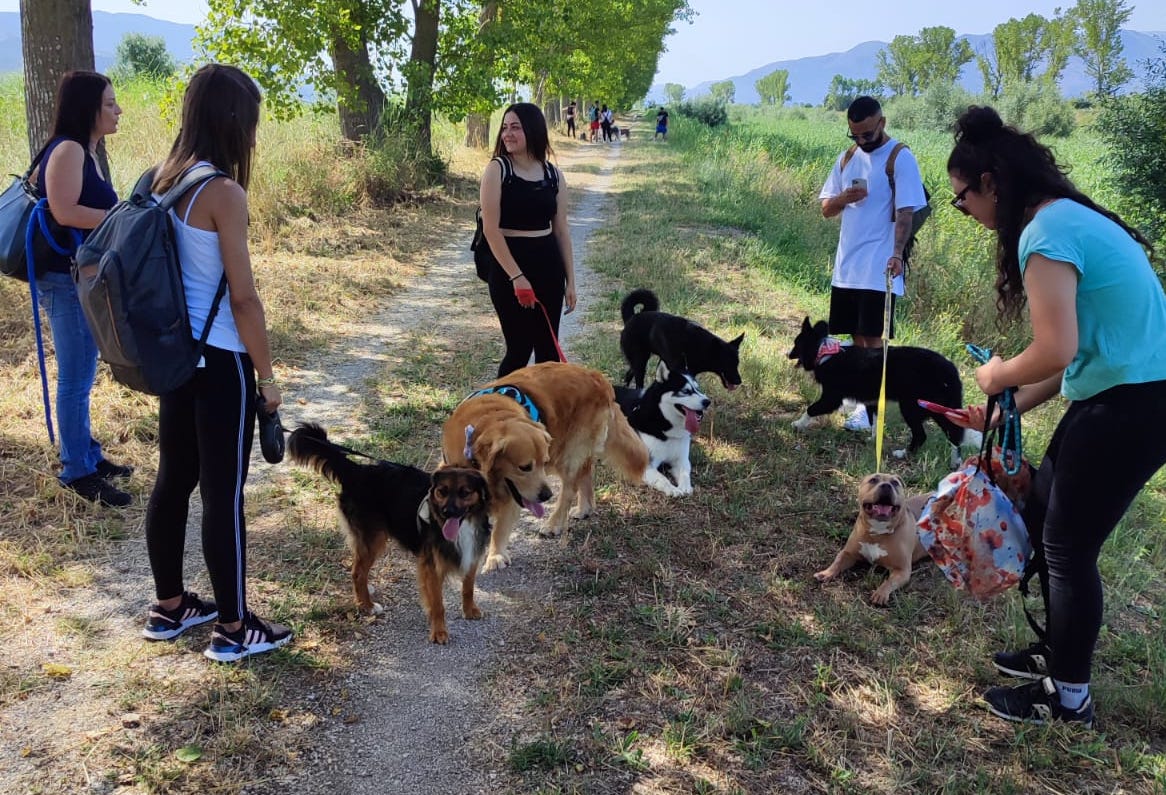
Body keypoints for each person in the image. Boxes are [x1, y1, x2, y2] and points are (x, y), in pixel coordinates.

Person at [946, 106, 1166, 727]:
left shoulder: (1043, 234)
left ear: (989, 182)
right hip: (1125, 393)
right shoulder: (1066, 219)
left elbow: (1053, 350)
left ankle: (1068, 697)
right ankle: (1056, 654)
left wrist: (995, 376)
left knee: (1068, 548)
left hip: (1134, 403)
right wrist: (1004, 406)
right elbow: (1073, 357)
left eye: (963, 200)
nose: (966, 213)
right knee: (1044, 512)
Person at [140, 64, 292, 662]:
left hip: (175, 359)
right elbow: (243, 297)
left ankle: (171, 606)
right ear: (233, 121)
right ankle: (234, 628)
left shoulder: (161, 178)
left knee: (173, 478)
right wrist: (269, 378)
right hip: (221, 359)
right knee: (224, 494)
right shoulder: (224, 194)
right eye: (251, 121)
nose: (254, 136)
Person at [31, 71, 133, 507]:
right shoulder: (69, 150)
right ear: (88, 109)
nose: (118, 110)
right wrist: (123, 217)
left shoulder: (84, 149)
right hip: (64, 279)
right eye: (110, 103)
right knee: (75, 379)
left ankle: (87, 453)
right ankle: (77, 471)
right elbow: (65, 211)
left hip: (80, 278)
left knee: (83, 374)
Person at [818, 95, 926, 431]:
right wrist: (843, 198)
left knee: (873, 341)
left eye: (867, 133)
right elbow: (826, 208)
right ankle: (857, 397)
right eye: (855, 135)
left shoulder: (900, 158)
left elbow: (906, 211)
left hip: (879, 267)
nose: (862, 141)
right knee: (855, 337)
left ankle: (870, 410)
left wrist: (896, 254)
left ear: (882, 122)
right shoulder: (847, 158)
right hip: (847, 266)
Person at [478, 102, 576, 377]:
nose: (507, 133)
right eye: (505, 127)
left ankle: (543, 415)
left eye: (516, 127)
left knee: (548, 352)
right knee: (519, 349)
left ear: (533, 130)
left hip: (548, 265)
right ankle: (501, 413)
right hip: (509, 266)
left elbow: (561, 230)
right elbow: (491, 229)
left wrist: (571, 281)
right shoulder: (498, 170)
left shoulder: (554, 175)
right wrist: (517, 277)